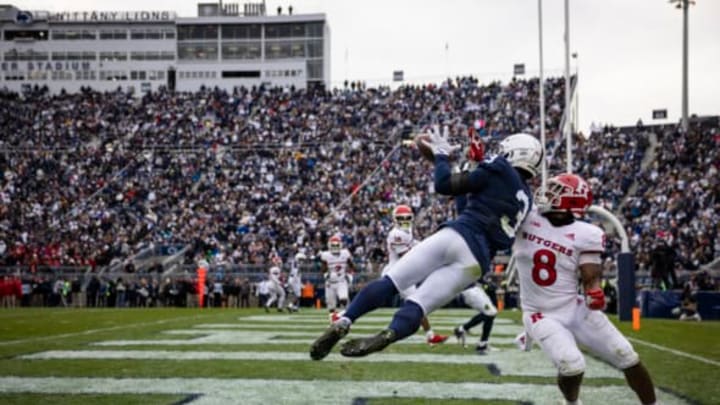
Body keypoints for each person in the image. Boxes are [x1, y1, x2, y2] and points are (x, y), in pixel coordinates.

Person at [310, 127, 542, 360]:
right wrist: (471, 170)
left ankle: (345, 320)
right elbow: (467, 203)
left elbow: (443, 185)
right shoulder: (527, 200)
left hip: (459, 235)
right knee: (419, 305)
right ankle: (391, 333)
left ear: (516, 153)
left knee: (392, 281)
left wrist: (441, 155)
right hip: (477, 262)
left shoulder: (499, 167)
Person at [514, 173, 657, 405]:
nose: (547, 194)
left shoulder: (587, 233)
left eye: (556, 191)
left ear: (572, 201)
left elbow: (589, 274)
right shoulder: (526, 219)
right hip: (540, 313)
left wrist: (594, 290)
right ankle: (571, 403)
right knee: (572, 365)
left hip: (573, 306)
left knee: (627, 355)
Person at [382, 204, 448, 345]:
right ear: (395, 219)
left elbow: (414, 245)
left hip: (404, 272)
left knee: (417, 304)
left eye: (407, 217)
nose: (405, 220)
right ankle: (345, 315)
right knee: (416, 304)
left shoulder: (407, 232)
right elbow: (407, 255)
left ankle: (430, 336)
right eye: (401, 218)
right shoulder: (396, 234)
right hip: (397, 273)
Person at [319, 234, 356, 322]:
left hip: (341, 281)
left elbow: (352, 266)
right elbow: (323, 269)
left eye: (336, 245)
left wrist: (350, 274)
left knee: (344, 299)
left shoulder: (345, 253)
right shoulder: (326, 255)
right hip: (330, 283)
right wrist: (326, 274)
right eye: (333, 245)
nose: (335, 247)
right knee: (331, 306)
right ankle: (333, 322)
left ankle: (345, 317)